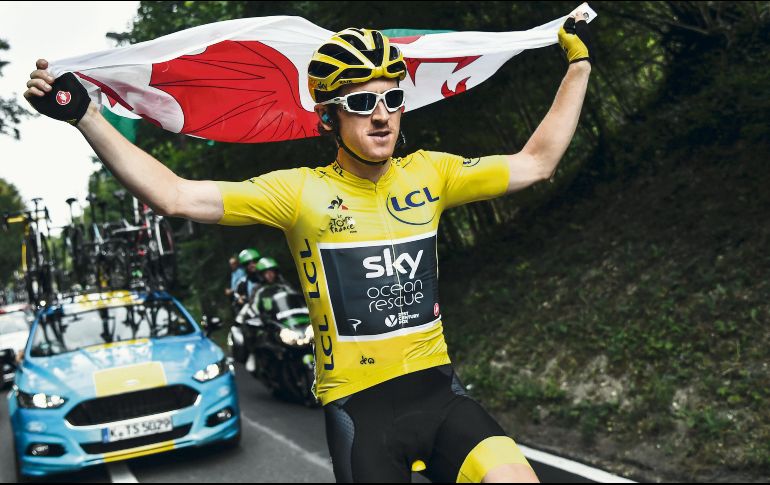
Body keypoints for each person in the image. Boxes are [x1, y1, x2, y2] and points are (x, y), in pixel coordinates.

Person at [25, 13, 592, 482]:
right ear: (327, 116)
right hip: (361, 409)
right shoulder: (299, 192)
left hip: (439, 392)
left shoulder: (433, 173)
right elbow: (175, 196)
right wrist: (87, 117)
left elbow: (537, 163)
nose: (382, 115)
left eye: (392, 99)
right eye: (361, 103)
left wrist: (578, 65)